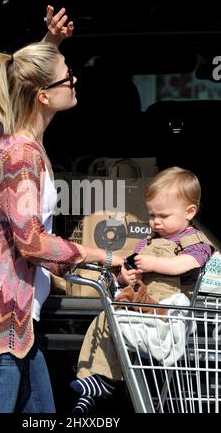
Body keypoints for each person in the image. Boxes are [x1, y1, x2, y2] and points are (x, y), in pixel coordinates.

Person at [0, 5, 124, 414]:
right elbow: (30, 243)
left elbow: (22, 87)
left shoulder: (11, 137)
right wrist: (105, 257)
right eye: (67, 75)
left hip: (16, 324)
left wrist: (51, 45)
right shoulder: (20, 156)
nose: (75, 78)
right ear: (44, 95)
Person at [70, 166, 214, 414]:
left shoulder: (195, 242)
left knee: (116, 321)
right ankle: (93, 378)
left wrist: (153, 263)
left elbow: (187, 264)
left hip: (166, 313)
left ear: (190, 212)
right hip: (141, 304)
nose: (156, 222)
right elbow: (131, 266)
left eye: (164, 216)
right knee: (105, 319)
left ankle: (103, 381)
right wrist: (127, 275)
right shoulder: (147, 241)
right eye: (151, 215)